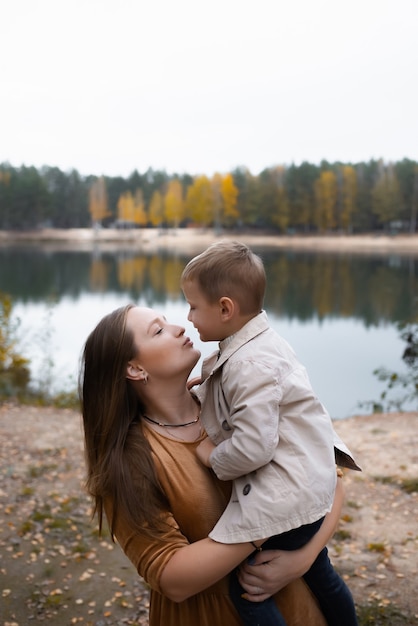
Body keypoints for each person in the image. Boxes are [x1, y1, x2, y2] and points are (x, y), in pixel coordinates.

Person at [79, 303, 347, 626]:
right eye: (158, 330)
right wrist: (264, 526)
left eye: (167, 322)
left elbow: (330, 481)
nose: (179, 328)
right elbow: (171, 578)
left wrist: (302, 560)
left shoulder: (233, 396)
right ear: (135, 369)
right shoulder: (129, 461)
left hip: (300, 607)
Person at [181, 240, 361, 626]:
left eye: (194, 306)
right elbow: (249, 400)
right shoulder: (260, 345)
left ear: (225, 308)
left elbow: (253, 447)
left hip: (290, 497)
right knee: (323, 576)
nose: (189, 316)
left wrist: (211, 456)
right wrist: (205, 387)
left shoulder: (250, 364)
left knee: (248, 589)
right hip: (311, 483)